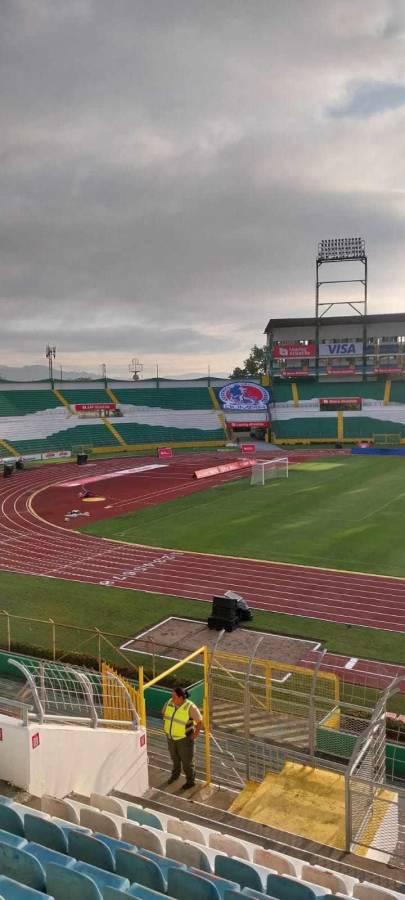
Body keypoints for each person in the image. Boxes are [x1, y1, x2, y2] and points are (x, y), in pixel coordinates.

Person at [162, 686, 202, 789]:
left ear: (181, 698)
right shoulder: (169, 702)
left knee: (187, 763)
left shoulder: (190, 707)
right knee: (175, 759)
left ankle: (190, 781)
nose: (172, 698)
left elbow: (199, 721)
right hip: (171, 738)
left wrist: (196, 734)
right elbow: (163, 713)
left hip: (184, 740)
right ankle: (175, 775)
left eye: (174, 696)